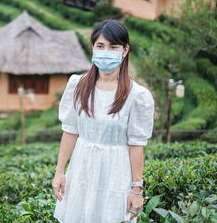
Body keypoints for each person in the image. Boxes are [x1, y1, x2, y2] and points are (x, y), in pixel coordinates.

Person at [52, 19, 154, 222]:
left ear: (125, 51)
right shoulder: (77, 85)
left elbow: (136, 144)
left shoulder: (137, 96)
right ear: (92, 48)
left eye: (113, 47)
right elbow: (71, 130)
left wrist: (137, 189)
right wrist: (59, 171)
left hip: (115, 171)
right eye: (100, 46)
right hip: (81, 168)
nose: (106, 51)